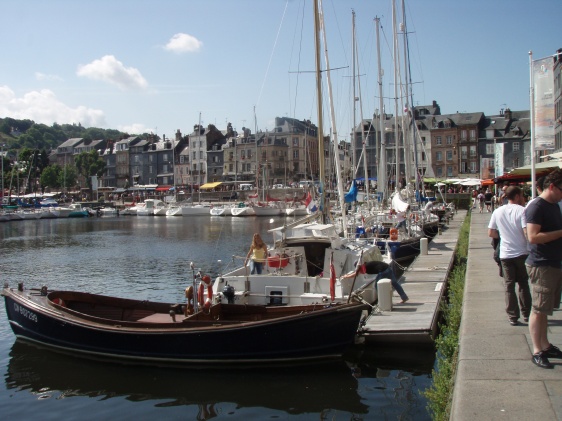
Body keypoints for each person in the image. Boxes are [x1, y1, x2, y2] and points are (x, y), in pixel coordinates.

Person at [524, 168, 562, 369]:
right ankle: (537, 350)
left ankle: (545, 345)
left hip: (553, 263)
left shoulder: (554, 205)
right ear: (553, 186)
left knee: (545, 309)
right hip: (542, 264)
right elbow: (532, 237)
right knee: (538, 309)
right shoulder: (537, 206)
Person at [488, 186, 532, 326]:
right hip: (522, 252)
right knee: (523, 284)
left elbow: (491, 233)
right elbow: (526, 232)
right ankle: (527, 313)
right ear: (517, 196)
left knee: (509, 286)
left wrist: (503, 237)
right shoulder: (523, 211)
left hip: (505, 254)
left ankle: (513, 316)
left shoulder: (498, 211)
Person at [342, 260, 409, 303]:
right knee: (395, 284)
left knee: (377, 286)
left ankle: (381, 302)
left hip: (383, 271)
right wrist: (348, 275)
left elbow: (356, 274)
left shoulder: (364, 267)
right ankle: (404, 297)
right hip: (388, 268)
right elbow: (357, 273)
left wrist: (346, 276)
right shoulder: (365, 265)